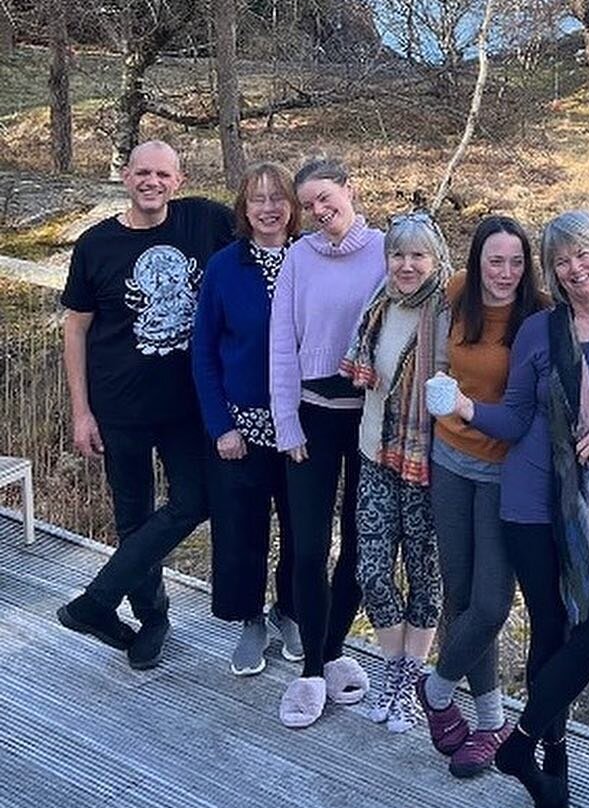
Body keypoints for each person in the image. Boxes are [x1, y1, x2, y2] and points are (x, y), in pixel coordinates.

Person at [429, 210, 589, 808]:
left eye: (581, 254)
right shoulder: (540, 330)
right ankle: (553, 757)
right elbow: (513, 420)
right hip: (532, 498)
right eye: (560, 260)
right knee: (549, 626)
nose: (573, 268)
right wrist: (464, 407)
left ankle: (518, 745)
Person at [57, 140, 233, 669]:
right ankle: (152, 618)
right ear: (125, 177)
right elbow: (76, 327)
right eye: (141, 173)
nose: (151, 182)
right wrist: (81, 410)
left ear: (178, 180)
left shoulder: (203, 221)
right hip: (119, 408)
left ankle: (96, 600)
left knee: (195, 500)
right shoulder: (96, 245)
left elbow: (267, 224)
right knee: (132, 517)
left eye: (162, 174)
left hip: (187, 407)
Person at [417, 216, 547, 777]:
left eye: (516, 262)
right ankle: (491, 719)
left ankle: (436, 690)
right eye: (495, 261)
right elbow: (432, 346)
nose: (506, 273)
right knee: (461, 595)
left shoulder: (538, 317)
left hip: (505, 472)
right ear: (476, 262)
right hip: (449, 460)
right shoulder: (455, 295)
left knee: (492, 602)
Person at [270, 155, 386, 729]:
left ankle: (334, 648)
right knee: (309, 549)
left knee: (361, 545)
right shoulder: (298, 256)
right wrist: (285, 424)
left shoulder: (389, 251)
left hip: (368, 422)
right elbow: (281, 345)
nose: (319, 211)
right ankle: (310, 669)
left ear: (349, 189)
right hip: (310, 422)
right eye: (308, 205)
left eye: (325, 197)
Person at [191, 161, 303, 676]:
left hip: (303, 429)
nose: (268, 208)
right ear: (243, 208)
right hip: (243, 427)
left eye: (277, 197)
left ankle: (291, 611)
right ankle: (251, 620)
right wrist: (221, 426)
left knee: (303, 529)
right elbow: (204, 351)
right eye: (257, 199)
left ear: (292, 207)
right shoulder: (224, 267)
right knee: (241, 531)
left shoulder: (309, 260)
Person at [342, 211, 450, 735]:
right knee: (372, 569)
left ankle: (408, 683)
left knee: (425, 575)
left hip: (428, 461)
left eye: (417, 255)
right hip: (374, 455)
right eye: (398, 255)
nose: (406, 265)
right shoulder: (379, 304)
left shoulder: (449, 312)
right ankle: (391, 671)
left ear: (435, 260)